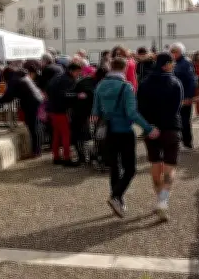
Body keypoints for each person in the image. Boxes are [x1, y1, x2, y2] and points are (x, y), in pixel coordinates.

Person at [92, 57, 158, 218]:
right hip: (124, 131)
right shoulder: (126, 87)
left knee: (115, 167)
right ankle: (116, 196)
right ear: (124, 69)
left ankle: (117, 198)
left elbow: (94, 113)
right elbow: (132, 113)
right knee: (130, 168)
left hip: (108, 132)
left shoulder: (100, 85)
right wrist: (148, 128)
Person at [137, 52, 183, 220]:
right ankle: (163, 201)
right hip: (171, 128)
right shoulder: (175, 82)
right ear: (166, 64)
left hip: (150, 129)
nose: (174, 66)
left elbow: (139, 107)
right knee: (170, 167)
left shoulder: (144, 83)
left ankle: (160, 200)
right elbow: (176, 107)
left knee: (155, 163)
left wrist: (150, 126)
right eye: (172, 63)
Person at [0, 65, 44, 157]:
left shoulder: (14, 79)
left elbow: (9, 95)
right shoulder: (21, 76)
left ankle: (36, 151)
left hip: (31, 103)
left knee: (33, 127)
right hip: (37, 100)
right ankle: (37, 150)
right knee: (36, 126)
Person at [46, 63, 85, 166]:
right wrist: (78, 95)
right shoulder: (68, 80)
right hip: (61, 111)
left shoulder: (57, 77)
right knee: (66, 135)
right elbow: (65, 94)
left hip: (52, 110)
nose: (78, 74)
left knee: (56, 135)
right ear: (72, 71)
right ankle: (67, 158)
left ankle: (56, 157)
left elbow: (48, 89)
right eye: (78, 72)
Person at [169, 43, 197, 150]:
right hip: (175, 97)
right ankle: (179, 141)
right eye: (172, 51)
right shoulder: (173, 62)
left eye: (175, 51)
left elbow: (191, 81)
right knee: (177, 120)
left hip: (184, 96)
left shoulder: (186, 63)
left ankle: (187, 143)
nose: (173, 53)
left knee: (185, 120)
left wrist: (189, 97)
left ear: (180, 52)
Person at [71, 62, 96, 165]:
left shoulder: (79, 83)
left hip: (79, 113)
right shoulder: (95, 84)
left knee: (81, 136)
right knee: (89, 136)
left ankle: (83, 157)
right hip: (90, 113)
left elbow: (73, 97)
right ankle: (91, 157)